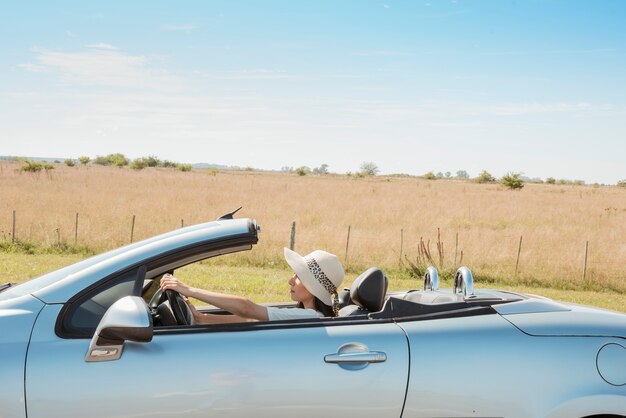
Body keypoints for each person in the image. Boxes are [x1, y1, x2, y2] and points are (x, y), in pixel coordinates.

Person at [160, 248, 345, 324]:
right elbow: (251, 321)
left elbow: (248, 309)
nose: (291, 280)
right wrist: (201, 318)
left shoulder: (307, 317)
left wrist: (189, 290)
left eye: (299, 277)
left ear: (312, 287)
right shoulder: (306, 315)